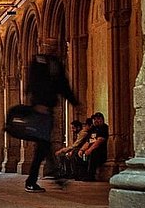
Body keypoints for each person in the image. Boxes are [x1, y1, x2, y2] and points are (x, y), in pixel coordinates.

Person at [23, 51, 79, 193]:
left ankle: (45, 177)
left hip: (48, 109)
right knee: (44, 144)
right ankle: (52, 176)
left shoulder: (55, 61)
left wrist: (75, 102)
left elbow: (63, 84)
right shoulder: (39, 60)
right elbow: (33, 82)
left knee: (44, 145)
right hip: (40, 109)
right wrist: (37, 102)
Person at [78, 112, 109, 180]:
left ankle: (90, 175)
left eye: (98, 119)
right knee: (80, 154)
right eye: (94, 119)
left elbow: (99, 141)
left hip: (101, 150)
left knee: (93, 153)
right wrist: (82, 150)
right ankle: (81, 174)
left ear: (102, 119)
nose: (96, 121)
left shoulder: (104, 128)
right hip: (91, 148)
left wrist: (89, 150)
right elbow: (88, 142)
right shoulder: (93, 129)